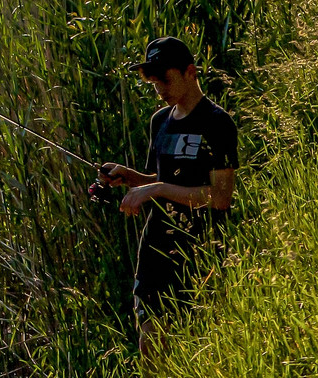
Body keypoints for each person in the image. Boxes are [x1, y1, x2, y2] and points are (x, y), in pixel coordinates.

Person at [95, 36, 238, 330]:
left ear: (190, 72)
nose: (160, 89)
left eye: (165, 80)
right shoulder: (159, 121)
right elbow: (157, 178)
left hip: (200, 248)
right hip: (156, 247)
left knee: (196, 337)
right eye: (154, 82)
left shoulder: (217, 122)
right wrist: (128, 176)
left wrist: (156, 189)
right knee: (149, 338)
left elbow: (221, 198)